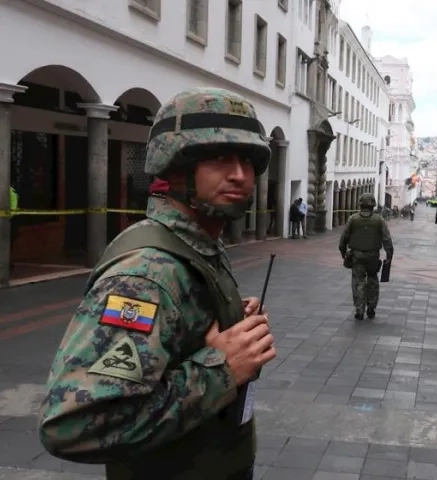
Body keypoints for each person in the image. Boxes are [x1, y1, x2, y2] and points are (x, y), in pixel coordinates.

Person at [38, 87, 277, 479]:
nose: (239, 174)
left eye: (248, 160)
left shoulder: (197, 247)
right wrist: (221, 370)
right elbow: (73, 425)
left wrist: (235, 326)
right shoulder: (146, 273)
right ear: (176, 167)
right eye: (219, 158)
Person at [339, 193, 394, 320]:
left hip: (357, 256)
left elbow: (344, 238)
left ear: (360, 204)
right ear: (373, 205)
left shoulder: (353, 219)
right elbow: (387, 239)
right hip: (373, 257)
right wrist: (389, 255)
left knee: (358, 283)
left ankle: (359, 309)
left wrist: (343, 253)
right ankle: (371, 308)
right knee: (373, 281)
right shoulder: (379, 220)